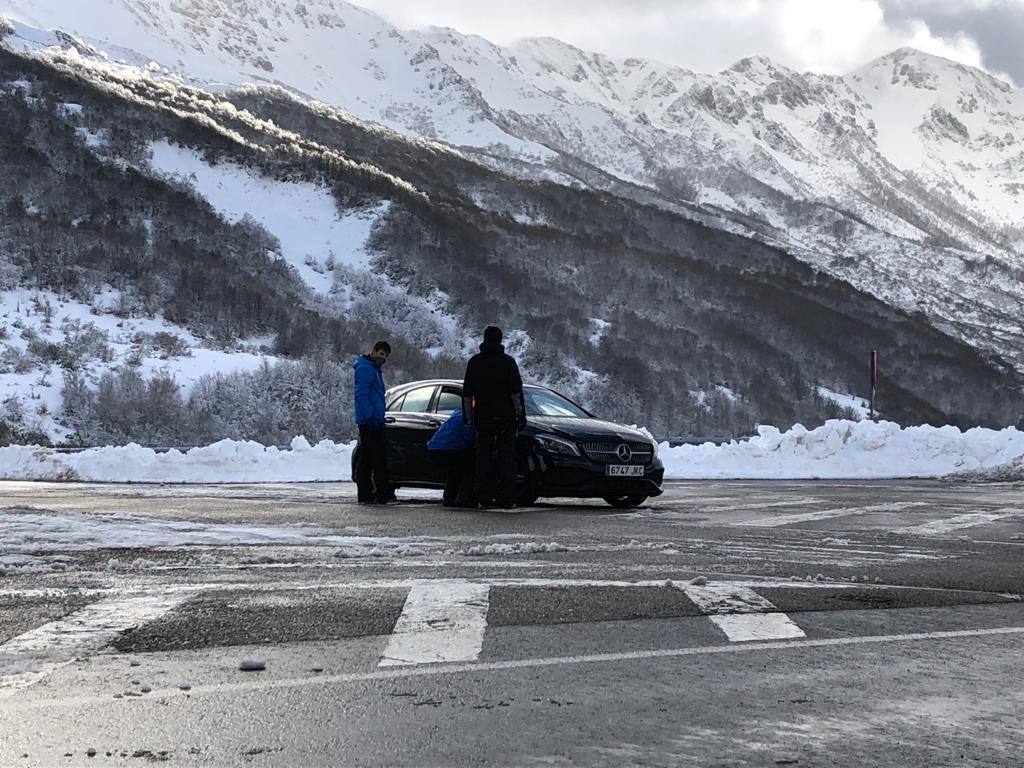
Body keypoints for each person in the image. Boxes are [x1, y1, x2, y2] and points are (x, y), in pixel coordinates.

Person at [462, 326, 526, 508]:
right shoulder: (508, 362)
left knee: (483, 457)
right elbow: (516, 393)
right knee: (507, 458)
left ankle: (483, 497)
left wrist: (468, 419)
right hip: (506, 418)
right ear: (500, 340)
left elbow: (467, 394)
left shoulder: (475, 362)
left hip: (483, 417)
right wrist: (520, 415)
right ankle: (508, 498)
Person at [353, 341, 394, 504]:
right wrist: (370, 416)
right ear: (374, 351)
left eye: (385, 356)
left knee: (367, 458)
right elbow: (361, 394)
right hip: (370, 421)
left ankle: (366, 494)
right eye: (381, 353)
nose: (383, 358)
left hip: (372, 419)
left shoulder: (373, 369)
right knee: (377, 458)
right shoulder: (366, 369)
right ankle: (382, 494)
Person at [426, 407, 477, 507]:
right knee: (469, 466)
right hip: (450, 448)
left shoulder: (458, 412)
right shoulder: (470, 418)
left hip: (434, 447)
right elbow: (469, 437)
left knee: (454, 469)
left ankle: (449, 498)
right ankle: (464, 497)